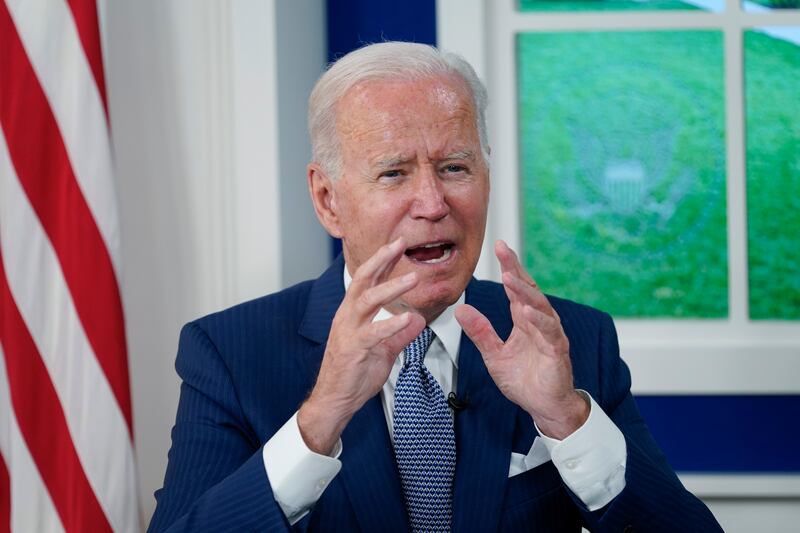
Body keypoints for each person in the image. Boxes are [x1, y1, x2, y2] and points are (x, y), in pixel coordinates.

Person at [148, 42, 722, 532]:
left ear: (486, 177)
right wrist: (319, 420)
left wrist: (567, 419)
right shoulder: (229, 352)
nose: (432, 204)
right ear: (328, 200)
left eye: (454, 168)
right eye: (394, 173)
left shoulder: (576, 339)